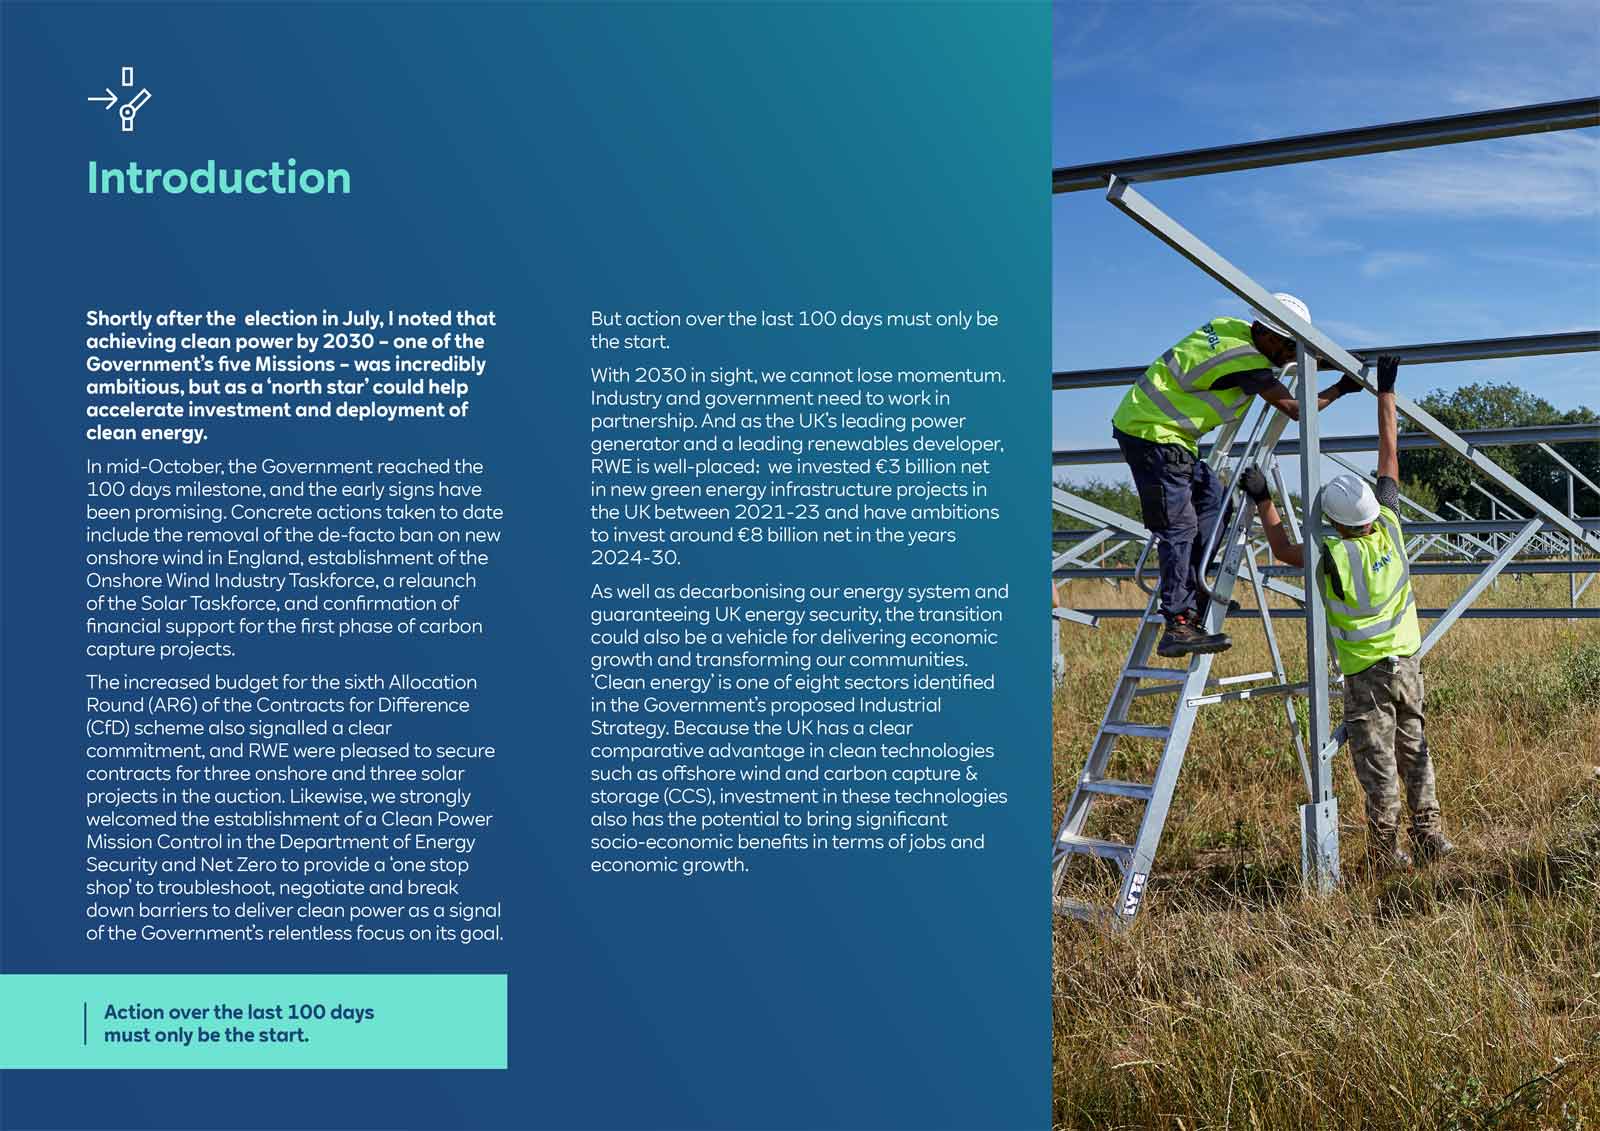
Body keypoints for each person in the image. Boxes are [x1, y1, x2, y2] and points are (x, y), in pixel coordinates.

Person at [1237, 356, 1454, 872]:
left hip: (1365, 676)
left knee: (1377, 764)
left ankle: (1386, 853)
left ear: (1333, 523)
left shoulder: (1330, 555)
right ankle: (1432, 836)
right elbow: (1389, 456)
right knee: (1415, 749)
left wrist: (1264, 497)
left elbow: (1284, 547)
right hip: (1407, 666)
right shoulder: (1392, 530)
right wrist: (1386, 390)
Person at [1111, 295, 1366, 658]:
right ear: (1266, 334)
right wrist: (1342, 387)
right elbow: (1296, 410)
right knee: (1179, 527)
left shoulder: (1232, 329)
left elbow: (1283, 360)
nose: (1292, 355)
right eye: (1289, 346)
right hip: (1152, 435)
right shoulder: (1246, 362)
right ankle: (1179, 623)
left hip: (1168, 435)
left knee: (1215, 507)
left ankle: (1194, 596)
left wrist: (1329, 359)